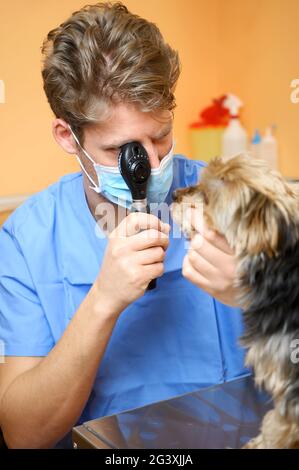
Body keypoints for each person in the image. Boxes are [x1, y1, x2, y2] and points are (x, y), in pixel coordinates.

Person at [0, 2, 247, 449]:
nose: (152, 168)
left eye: (161, 136)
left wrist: (262, 294)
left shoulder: (233, 195)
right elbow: (23, 434)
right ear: (66, 137)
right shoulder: (27, 239)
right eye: (122, 150)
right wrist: (102, 301)